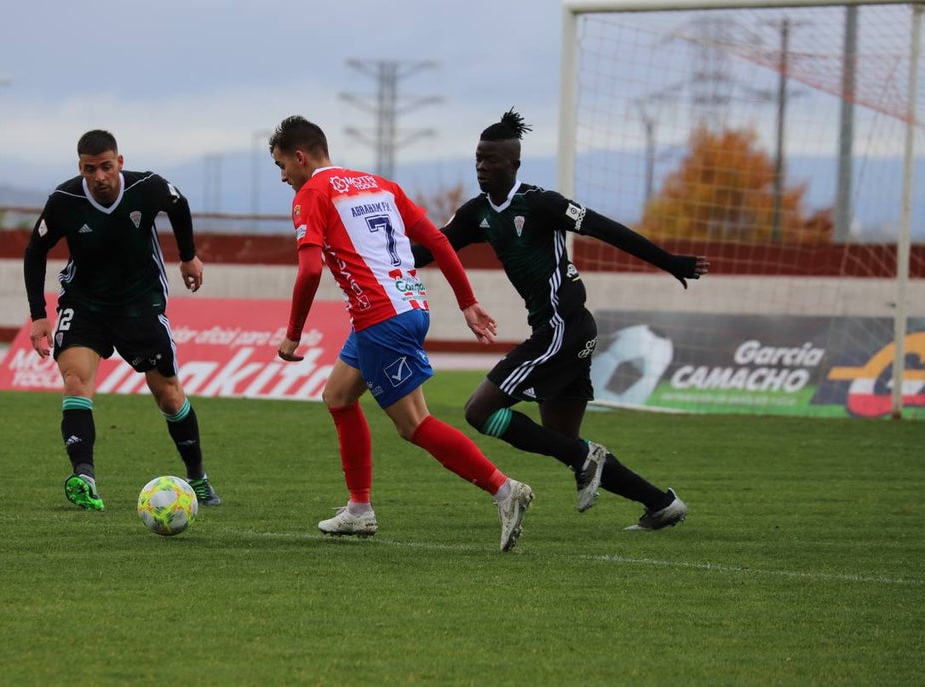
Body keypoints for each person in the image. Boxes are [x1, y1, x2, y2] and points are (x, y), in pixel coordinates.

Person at [412, 109, 709, 531]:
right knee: (566, 442)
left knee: (479, 411)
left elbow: (607, 229)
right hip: (565, 331)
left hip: (562, 328)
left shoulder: (542, 203)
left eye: (492, 159)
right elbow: (429, 251)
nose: (482, 166)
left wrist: (669, 262)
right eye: (478, 158)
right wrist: (367, 255)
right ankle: (661, 503)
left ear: (514, 164)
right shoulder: (476, 213)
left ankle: (587, 459)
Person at [269, 115, 535, 552]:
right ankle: (359, 509)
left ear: (300, 157)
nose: (283, 177)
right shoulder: (380, 185)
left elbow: (311, 269)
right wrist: (466, 301)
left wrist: (293, 333)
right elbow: (440, 241)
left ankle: (504, 490)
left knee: (414, 424)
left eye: (282, 166)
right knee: (338, 396)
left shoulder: (312, 193)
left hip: (380, 317)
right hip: (407, 306)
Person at [23, 129, 220, 511]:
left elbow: (178, 205)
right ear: (80, 168)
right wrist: (38, 315)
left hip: (139, 303)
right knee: (76, 379)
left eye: (106, 167)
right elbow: (35, 251)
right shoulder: (64, 200)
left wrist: (188, 256)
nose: (99, 176)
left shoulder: (146, 187)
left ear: (120, 163)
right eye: (90, 169)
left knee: (168, 395)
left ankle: (197, 478)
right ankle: (84, 477)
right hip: (85, 303)